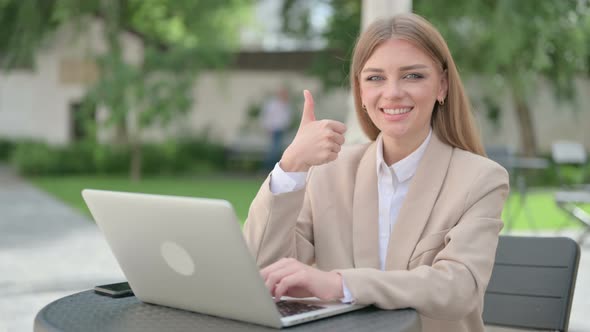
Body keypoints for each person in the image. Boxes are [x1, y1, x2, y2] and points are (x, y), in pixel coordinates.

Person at [243, 13, 509, 332]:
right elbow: (261, 266)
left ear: (442, 86)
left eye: (412, 76)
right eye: (375, 78)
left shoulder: (480, 179)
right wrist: (292, 166)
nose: (393, 92)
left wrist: (339, 283)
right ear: (360, 93)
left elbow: (457, 289)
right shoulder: (328, 173)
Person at [260, 87, 292, 171]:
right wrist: (268, 128)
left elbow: (286, 119)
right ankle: (267, 168)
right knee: (274, 150)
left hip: (281, 130)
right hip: (274, 130)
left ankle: (275, 169)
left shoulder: (286, 105)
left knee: (277, 150)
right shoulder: (272, 105)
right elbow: (267, 117)